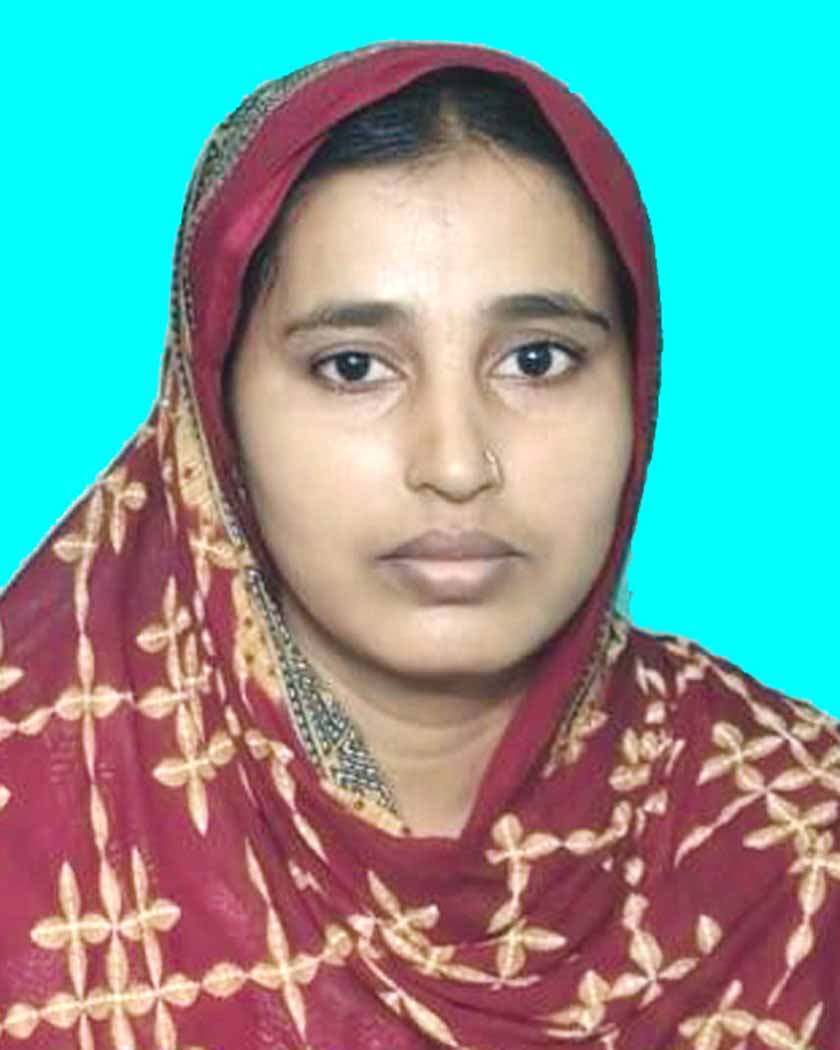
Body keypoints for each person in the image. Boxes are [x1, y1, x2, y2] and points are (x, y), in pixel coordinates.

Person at [0, 39, 836, 1050]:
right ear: (214, 415)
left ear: (638, 385)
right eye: (354, 366)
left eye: (537, 360)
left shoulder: (798, 835)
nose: (455, 462)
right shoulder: (29, 825)